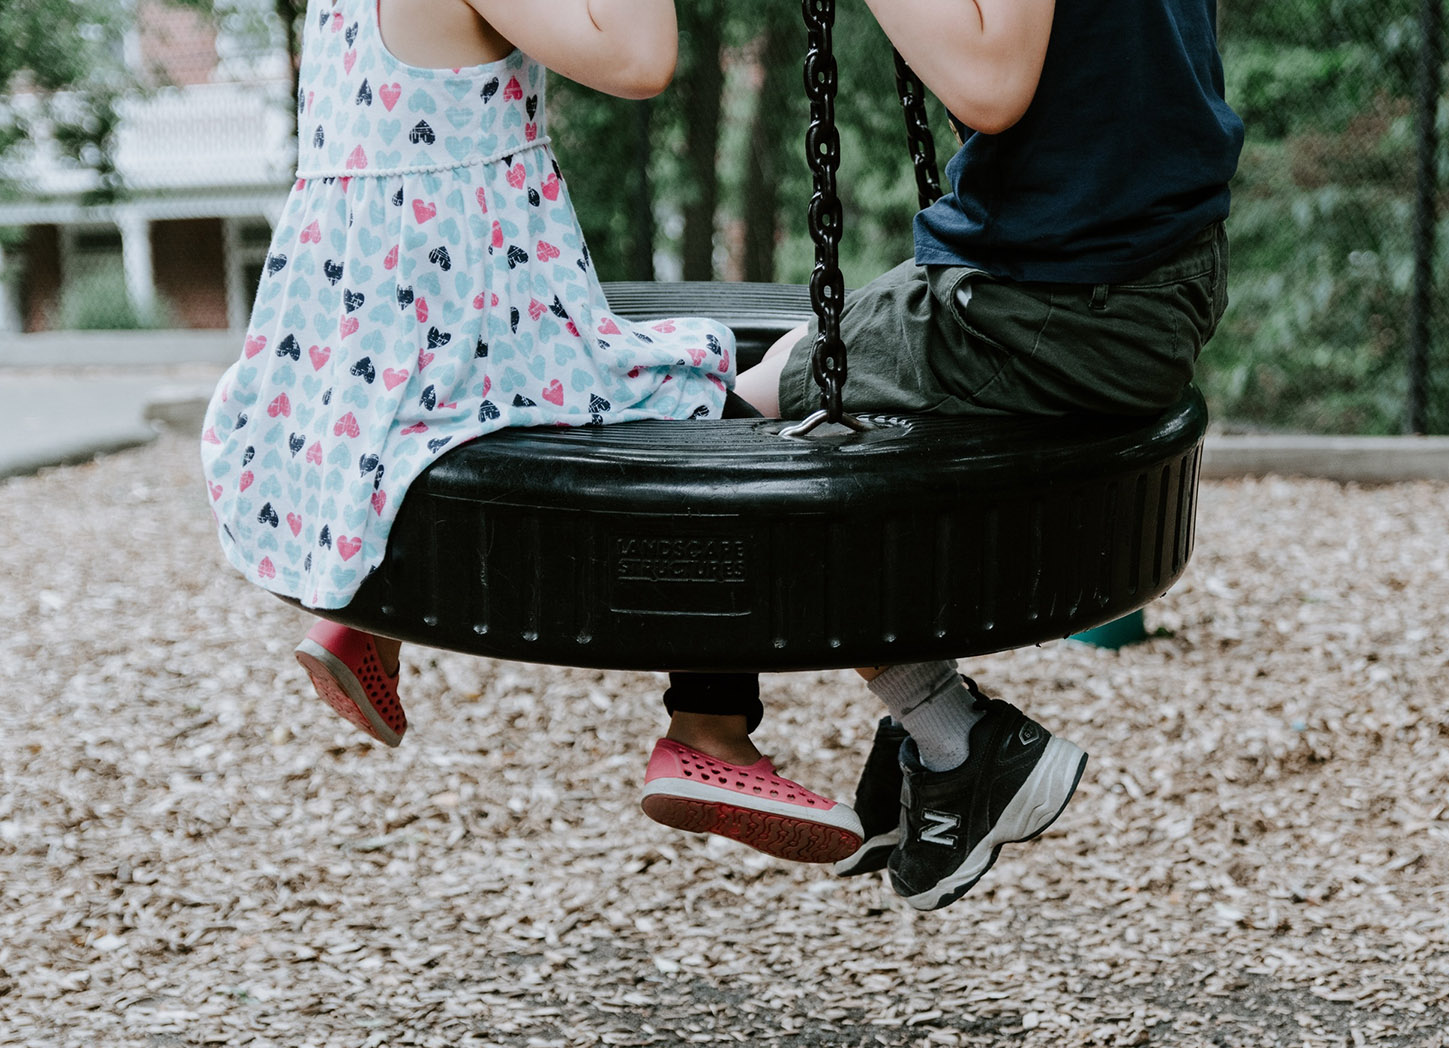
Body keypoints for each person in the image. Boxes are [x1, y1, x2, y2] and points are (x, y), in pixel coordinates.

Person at [200, 0, 864, 866]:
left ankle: (364, 603)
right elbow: (639, 61)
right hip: (476, 324)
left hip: (364, 351)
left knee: (455, 419)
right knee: (711, 412)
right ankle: (712, 728)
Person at [700, 0, 1245, 909]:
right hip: (1140, 268)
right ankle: (939, 740)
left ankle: (945, 740)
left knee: (750, 414)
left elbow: (992, 84)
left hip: (1066, 301)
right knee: (804, 369)